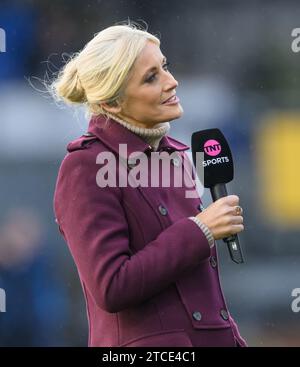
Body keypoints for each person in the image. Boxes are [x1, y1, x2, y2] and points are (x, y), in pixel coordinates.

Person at [52, 23, 247, 347]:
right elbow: (111, 286)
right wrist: (200, 230)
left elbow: (204, 303)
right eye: (151, 77)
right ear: (113, 103)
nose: (172, 82)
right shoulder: (84, 167)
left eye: (164, 67)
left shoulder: (177, 156)